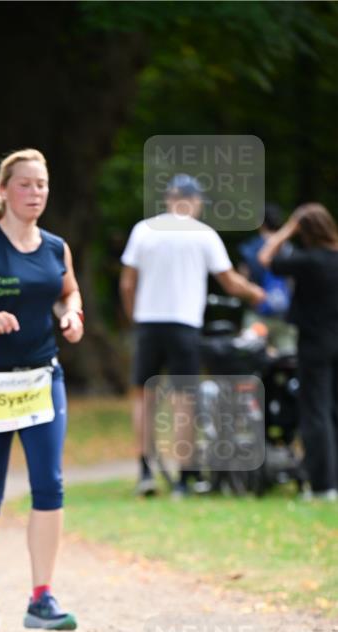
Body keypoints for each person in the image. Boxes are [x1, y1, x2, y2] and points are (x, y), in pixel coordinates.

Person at [0, 148, 83, 632]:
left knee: (49, 484)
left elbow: (68, 290)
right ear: (4, 190)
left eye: (43, 185)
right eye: (26, 184)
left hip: (41, 380)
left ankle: (41, 597)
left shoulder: (56, 247)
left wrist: (71, 314)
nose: (36, 193)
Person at [119, 174, 266, 497]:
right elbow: (229, 282)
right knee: (184, 399)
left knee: (144, 398)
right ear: (194, 200)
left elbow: (127, 282)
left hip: (148, 324)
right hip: (184, 325)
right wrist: (255, 293)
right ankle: (184, 478)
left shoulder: (143, 231)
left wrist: (136, 318)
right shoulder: (203, 235)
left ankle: (145, 470)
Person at [258, 203, 338, 500]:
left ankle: (323, 485)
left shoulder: (308, 261)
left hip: (314, 344)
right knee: (334, 411)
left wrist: (287, 228)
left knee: (315, 413)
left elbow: (265, 257)